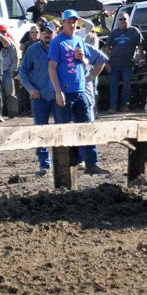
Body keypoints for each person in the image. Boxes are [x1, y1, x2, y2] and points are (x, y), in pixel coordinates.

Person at [46, 10, 108, 175]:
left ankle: (92, 164)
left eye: (74, 22)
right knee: (64, 130)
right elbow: (51, 68)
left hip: (81, 91)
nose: (72, 25)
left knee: (87, 126)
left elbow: (88, 62)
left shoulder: (79, 40)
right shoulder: (57, 42)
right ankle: (64, 168)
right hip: (65, 92)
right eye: (69, 22)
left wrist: (83, 60)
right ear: (63, 23)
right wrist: (58, 92)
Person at [20, 23, 60, 174]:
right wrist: (30, 88)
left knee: (62, 129)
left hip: (59, 96)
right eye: (43, 31)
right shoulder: (33, 49)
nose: (47, 34)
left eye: (50, 31)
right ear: (40, 34)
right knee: (40, 131)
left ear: (55, 32)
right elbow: (22, 70)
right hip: (40, 97)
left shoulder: (61, 47)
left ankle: (64, 162)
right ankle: (44, 165)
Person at [107, 11, 140, 113]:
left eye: (124, 19)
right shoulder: (113, 32)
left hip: (128, 64)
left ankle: (125, 105)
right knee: (113, 86)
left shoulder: (134, 31)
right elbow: (107, 47)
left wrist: (141, 59)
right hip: (114, 63)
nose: (122, 21)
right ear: (118, 21)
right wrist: (106, 61)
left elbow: (140, 46)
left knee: (127, 85)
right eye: (120, 19)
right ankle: (113, 107)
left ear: (128, 20)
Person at [0, 24, 19, 118]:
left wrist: (12, 70)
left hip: (7, 72)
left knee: (10, 93)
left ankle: (12, 113)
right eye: (0, 32)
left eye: (4, 31)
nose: (2, 33)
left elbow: (15, 57)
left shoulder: (11, 44)